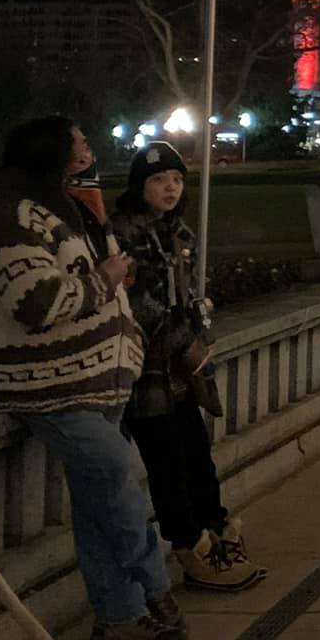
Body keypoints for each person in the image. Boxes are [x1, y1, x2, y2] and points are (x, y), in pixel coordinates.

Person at [0, 117, 184, 640]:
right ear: (58, 155)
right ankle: (155, 591)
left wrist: (125, 340)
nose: (89, 146)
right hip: (49, 384)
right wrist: (106, 279)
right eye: (80, 140)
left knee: (98, 502)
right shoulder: (5, 220)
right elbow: (36, 304)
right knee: (116, 477)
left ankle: (116, 619)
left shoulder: (71, 208)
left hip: (98, 378)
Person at [112, 143, 266, 594]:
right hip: (148, 371)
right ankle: (191, 548)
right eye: (160, 181)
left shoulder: (179, 232)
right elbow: (139, 306)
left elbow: (185, 296)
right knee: (166, 460)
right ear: (141, 185)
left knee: (197, 452)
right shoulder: (123, 233)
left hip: (180, 371)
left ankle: (216, 531)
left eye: (177, 180)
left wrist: (197, 335)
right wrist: (186, 342)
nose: (171, 188)